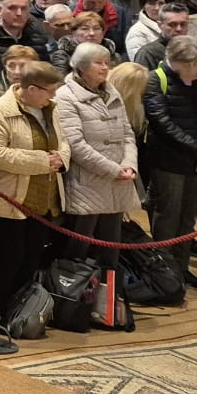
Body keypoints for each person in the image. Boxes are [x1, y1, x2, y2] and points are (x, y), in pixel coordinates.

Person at [0, 61, 67, 321]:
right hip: (10, 201)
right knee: (8, 262)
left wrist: (61, 159)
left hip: (43, 200)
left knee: (31, 260)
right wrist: (42, 161)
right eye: (48, 90)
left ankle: (21, 313)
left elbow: (64, 143)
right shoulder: (0, 111)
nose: (53, 95)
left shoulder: (52, 109)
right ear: (29, 89)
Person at [52, 42, 141, 284]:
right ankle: (75, 301)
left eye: (107, 62)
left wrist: (129, 164)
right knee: (80, 246)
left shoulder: (111, 91)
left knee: (110, 248)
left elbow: (127, 134)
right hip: (87, 184)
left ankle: (108, 303)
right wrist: (114, 170)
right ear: (81, 67)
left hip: (118, 180)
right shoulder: (65, 96)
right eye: (98, 63)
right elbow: (76, 145)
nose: (105, 67)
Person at [141, 38, 197, 291]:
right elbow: (162, 123)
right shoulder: (156, 80)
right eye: (191, 65)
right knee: (167, 217)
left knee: (187, 219)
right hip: (168, 161)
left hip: (196, 160)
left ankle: (182, 269)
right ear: (176, 62)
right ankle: (165, 273)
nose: (196, 69)